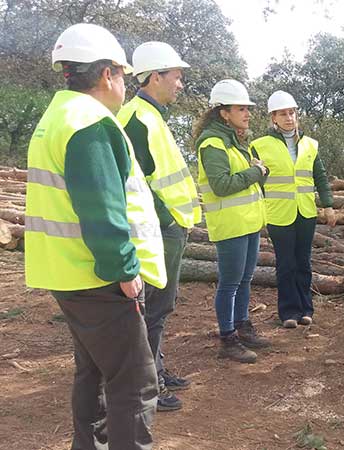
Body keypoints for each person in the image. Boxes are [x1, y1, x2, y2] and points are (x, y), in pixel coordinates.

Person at [25, 23, 166, 449]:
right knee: (136, 385)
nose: (124, 83)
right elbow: (102, 209)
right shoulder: (89, 123)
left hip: (67, 274)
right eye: (122, 74)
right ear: (107, 74)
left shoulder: (56, 117)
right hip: (100, 278)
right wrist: (124, 269)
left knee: (91, 371)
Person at [117, 41, 199, 412]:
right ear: (155, 76)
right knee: (151, 310)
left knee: (160, 309)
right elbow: (135, 180)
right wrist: (167, 219)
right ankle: (146, 386)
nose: (180, 84)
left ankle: (157, 370)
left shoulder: (153, 116)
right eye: (176, 76)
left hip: (169, 227)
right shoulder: (136, 119)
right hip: (157, 230)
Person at [193, 79, 269, 363]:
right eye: (241, 108)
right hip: (230, 224)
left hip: (248, 223)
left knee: (245, 279)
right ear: (223, 112)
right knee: (229, 283)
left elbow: (250, 178)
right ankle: (227, 339)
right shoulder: (212, 143)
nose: (248, 113)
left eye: (248, 108)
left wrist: (259, 171)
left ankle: (243, 326)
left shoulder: (237, 142)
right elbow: (221, 185)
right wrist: (255, 172)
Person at [250, 90, 335, 329]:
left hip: (306, 212)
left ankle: (306, 309)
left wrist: (328, 206)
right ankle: (288, 312)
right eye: (283, 114)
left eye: (292, 113)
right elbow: (256, 182)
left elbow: (320, 176)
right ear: (273, 118)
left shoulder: (310, 145)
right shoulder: (258, 146)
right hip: (278, 213)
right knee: (285, 264)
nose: (289, 118)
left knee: (303, 262)